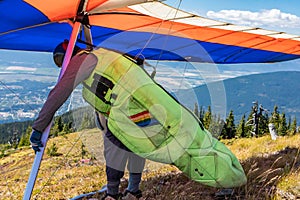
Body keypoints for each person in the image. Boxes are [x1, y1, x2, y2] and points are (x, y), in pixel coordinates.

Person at [29, 40, 146, 200]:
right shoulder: (102, 54)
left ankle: (112, 194)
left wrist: (38, 127)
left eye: (61, 61)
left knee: (114, 145)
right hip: (140, 103)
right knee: (136, 144)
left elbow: (60, 91)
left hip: (122, 110)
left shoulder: (82, 59)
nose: (63, 66)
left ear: (68, 55)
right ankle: (134, 190)